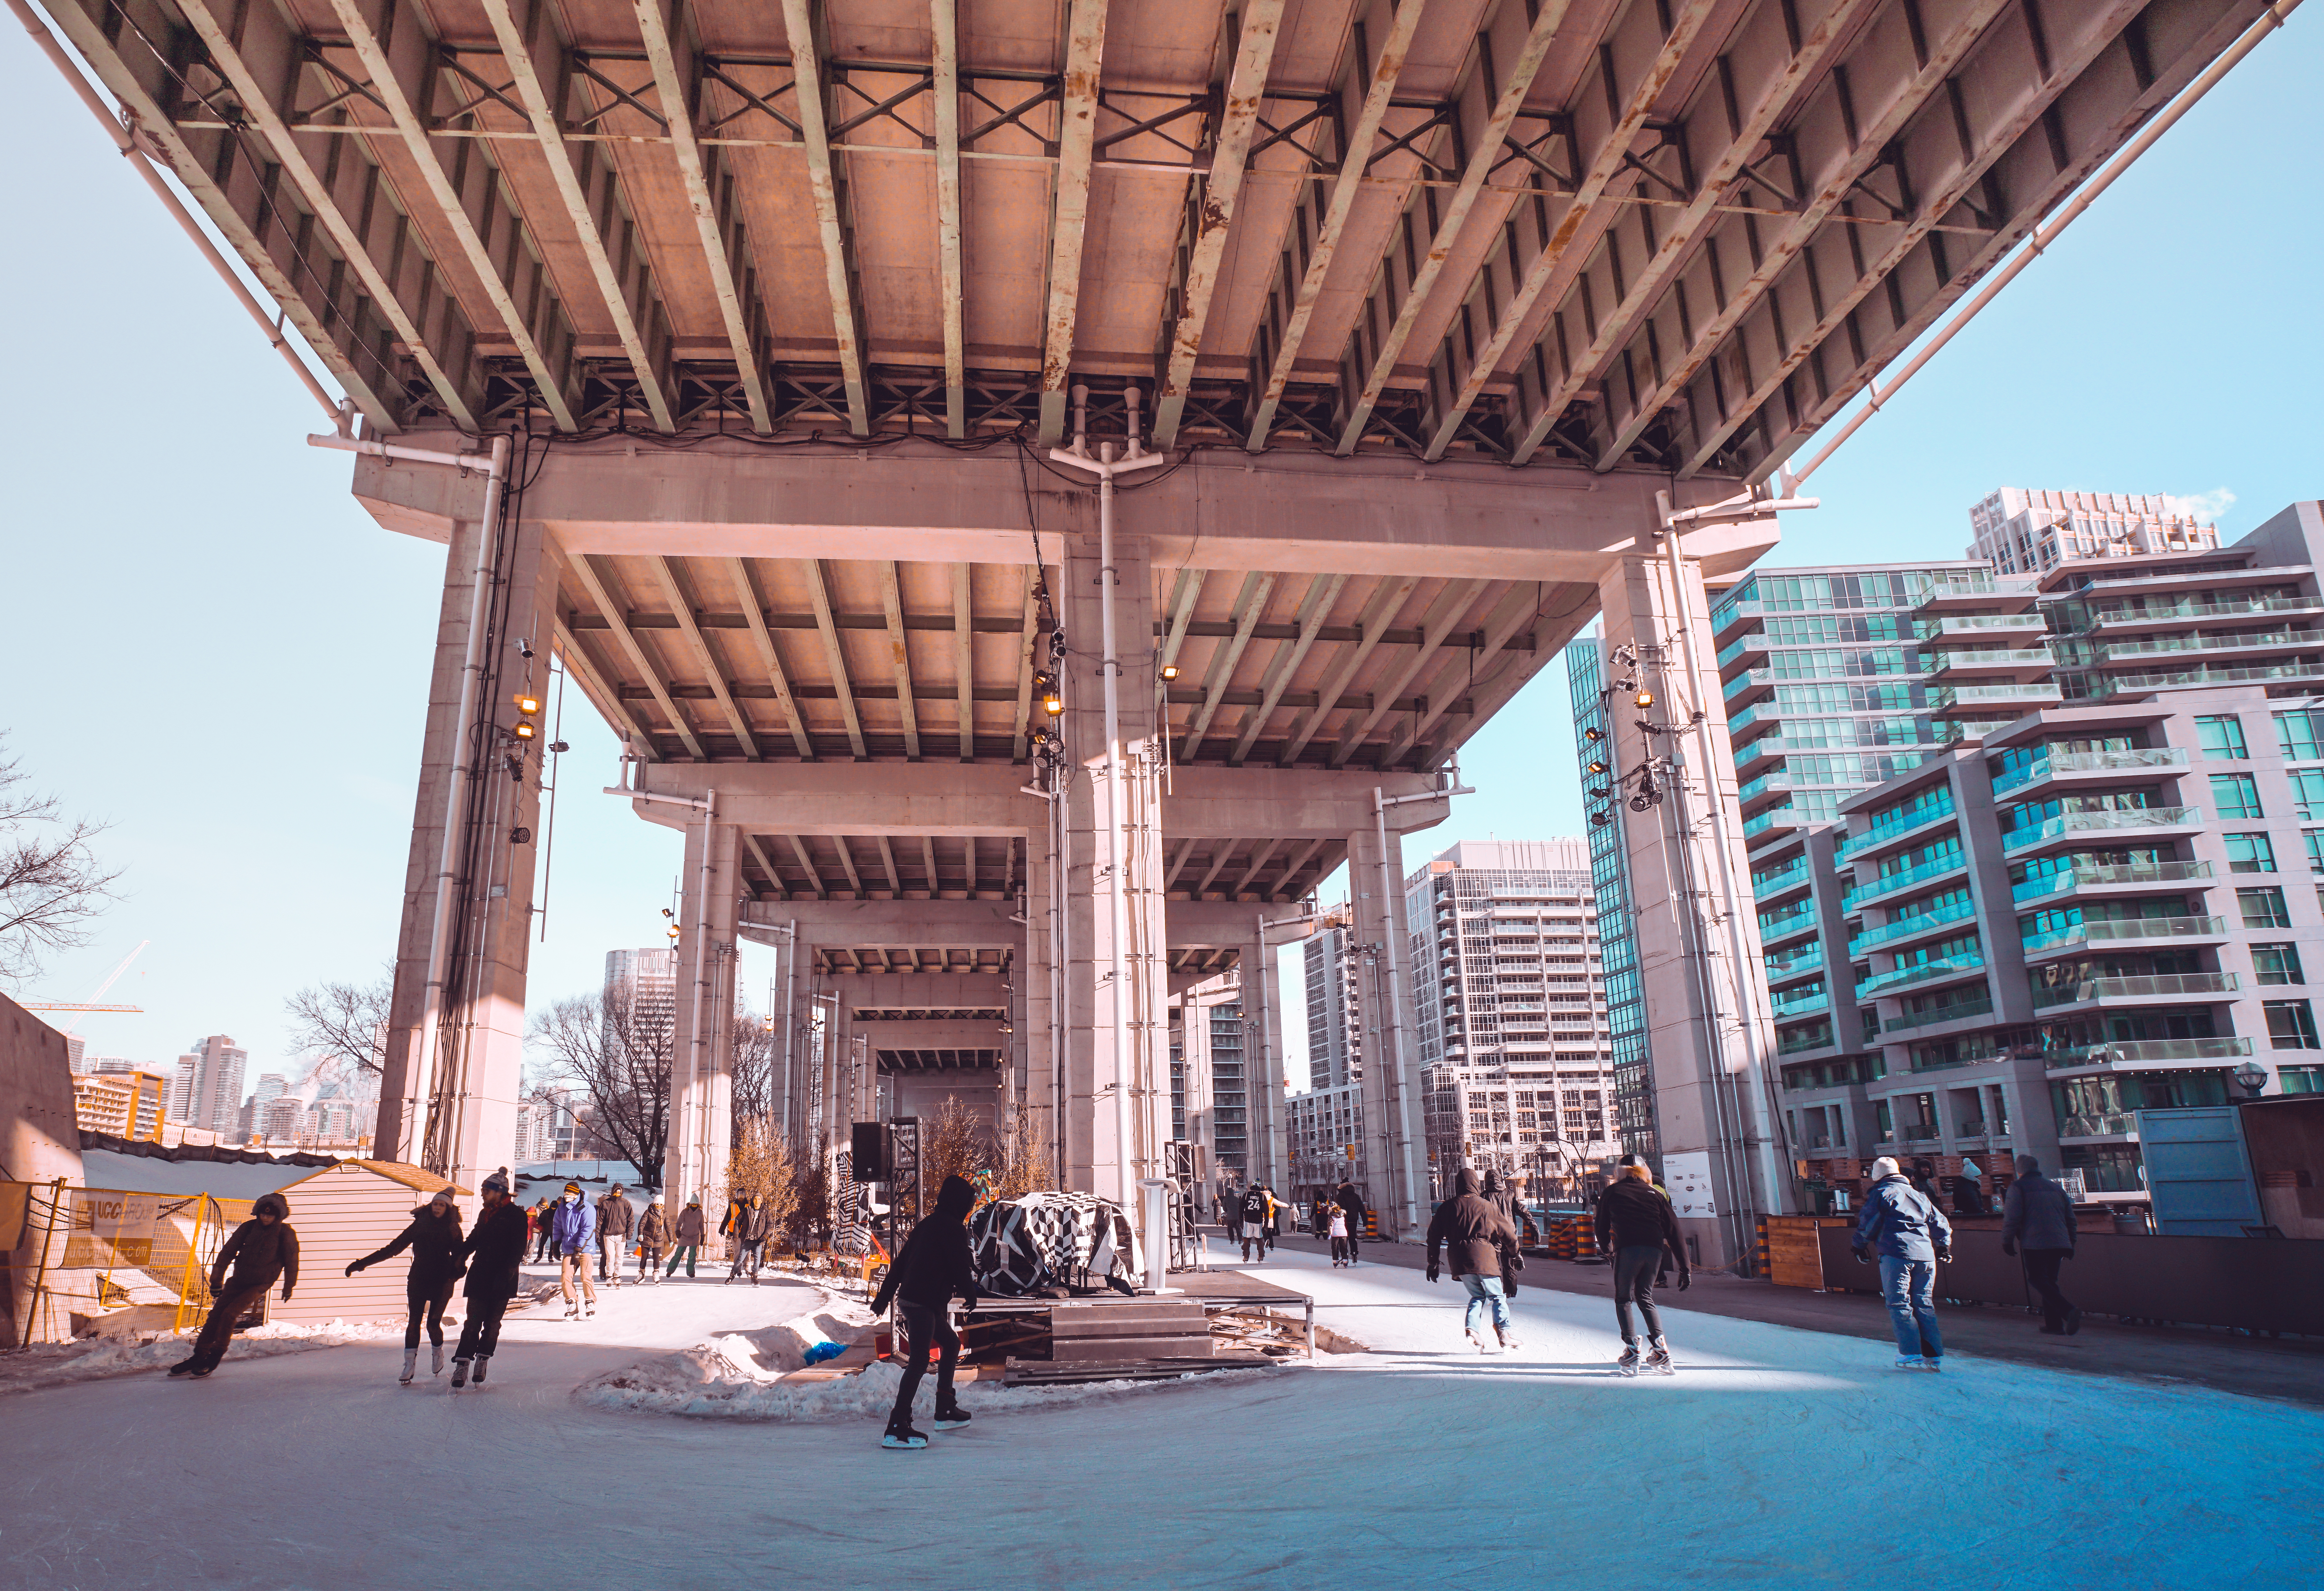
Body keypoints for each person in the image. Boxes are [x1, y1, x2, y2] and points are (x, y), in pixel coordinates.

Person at [869, 1174, 982, 1449]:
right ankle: (897, 1426)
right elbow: (959, 1266)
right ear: (960, 1205)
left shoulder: (926, 1226)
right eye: (967, 1207)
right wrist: (971, 1294)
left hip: (915, 1300)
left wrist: (883, 1299)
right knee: (919, 1360)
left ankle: (945, 1407)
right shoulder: (953, 1229)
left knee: (952, 1344)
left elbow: (900, 1265)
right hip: (922, 1304)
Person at [169, 1191, 298, 1377]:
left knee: (230, 1314)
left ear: (279, 1215)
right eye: (263, 1213)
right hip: (239, 1280)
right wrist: (216, 1280)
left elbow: (292, 1261)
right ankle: (199, 1356)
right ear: (258, 1212)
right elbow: (227, 1254)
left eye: (270, 1214)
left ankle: (214, 1357)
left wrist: (289, 1287)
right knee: (215, 1315)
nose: (266, 1217)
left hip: (261, 1283)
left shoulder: (285, 1233)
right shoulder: (248, 1228)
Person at [346, 1187, 466, 1383]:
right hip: (419, 1278)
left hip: (442, 1281)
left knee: (433, 1323)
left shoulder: (453, 1229)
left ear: (448, 1208)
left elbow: (460, 1256)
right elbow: (393, 1248)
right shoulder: (419, 1225)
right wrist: (361, 1264)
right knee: (414, 1323)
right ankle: (409, 1364)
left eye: (442, 1205)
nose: (437, 1208)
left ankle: (438, 1352)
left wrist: (457, 1270)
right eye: (435, 1204)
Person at [1853, 1154, 1955, 1371]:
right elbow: (1940, 1223)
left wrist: (1859, 1246)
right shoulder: (1919, 1195)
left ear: (1877, 1175)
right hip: (1926, 1256)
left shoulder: (1882, 1194)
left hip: (1896, 1253)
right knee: (1924, 1303)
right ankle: (1933, 1355)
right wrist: (1943, 1246)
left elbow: (1868, 1224)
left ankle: (1911, 1353)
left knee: (1900, 1303)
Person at [1594, 1156, 1689, 1374]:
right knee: (1645, 1297)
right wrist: (1685, 1268)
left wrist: (1609, 1252)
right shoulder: (1656, 1194)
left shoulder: (1612, 1192)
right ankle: (1661, 1350)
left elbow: (1601, 1228)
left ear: (1621, 1172)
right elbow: (1675, 1231)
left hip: (1628, 1249)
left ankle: (1631, 1351)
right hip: (1654, 1251)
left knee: (1624, 1298)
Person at [1425, 1168, 1521, 1353]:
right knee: (1497, 1296)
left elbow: (1433, 1237)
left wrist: (1433, 1263)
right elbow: (1508, 1234)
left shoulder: (1447, 1207)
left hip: (1458, 1259)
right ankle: (1504, 1334)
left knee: (1478, 1296)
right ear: (1476, 1185)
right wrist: (1515, 1254)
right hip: (1484, 1257)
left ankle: (1472, 1330)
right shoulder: (1486, 1206)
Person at [451, 1171, 530, 1387]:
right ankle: (462, 1365)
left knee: (493, 1324)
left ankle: (482, 1360)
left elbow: (517, 1250)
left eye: (486, 1191)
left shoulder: (517, 1216)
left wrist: (506, 1275)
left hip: (503, 1278)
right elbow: (475, 1238)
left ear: (499, 1192)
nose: (482, 1194)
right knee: (472, 1323)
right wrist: (459, 1253)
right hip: (480, 1275)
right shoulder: (484, 1214)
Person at [2002, 1153, 2082, 1335]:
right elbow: (2071, 1219)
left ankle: (2068, 1311)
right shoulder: (2056, 1188)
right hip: (2059, 1243)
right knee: (2050, 1282)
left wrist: (2007, 1241)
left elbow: (2012, 1218)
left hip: (2035, 1243)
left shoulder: (2018, 1188)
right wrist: (2071, 1243)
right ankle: (2054, 1325)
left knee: (2037, 1279)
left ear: (2020, 1170)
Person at [549, 1182, 597, 1319]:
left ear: (577, 1195)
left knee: (586, 1276)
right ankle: (572, 1303)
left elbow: (588, 1229)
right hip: (569, 1247)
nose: (567, 1197)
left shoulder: (587, 1208)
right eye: (566, 1195)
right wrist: (556, 1244)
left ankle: (590, 1302)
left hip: (585, 1248)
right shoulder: (562, 1207)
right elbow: (557, 1226)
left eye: (570, 1195)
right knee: (566, 1276)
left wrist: (579, 1248)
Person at [725, 1192, 772, 1285]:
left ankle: (754, 1277)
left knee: (757, 1260)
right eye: (755, 1199)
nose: (757, 1201)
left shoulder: (766, 1212)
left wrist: (765, 1236)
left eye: (759, 1199)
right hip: (747, 1240)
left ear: (762, 1201)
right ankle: (732, 1275)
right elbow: (737, 1221)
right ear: (753, 1201)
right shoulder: (747, 1210)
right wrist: (736, 1235)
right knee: (740, 1260)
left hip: (758, 1241)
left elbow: (770, 1225)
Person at [596, 1184, 634, 1286]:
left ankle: (617, 1277)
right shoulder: (606, 1204)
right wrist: (598, 1233)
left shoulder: (626, 1203)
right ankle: (609, 1276)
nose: (618, 1193)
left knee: (619, 1257)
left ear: (622, 1192)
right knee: (610, 1256)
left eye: (620, 1191)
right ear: (613, 1191)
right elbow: (599, 1220)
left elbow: (631, 1219)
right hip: (608, 1235)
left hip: (621, 1236)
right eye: (616, 1191)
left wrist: (630, 1232)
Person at [667, 1195, 706, 1277]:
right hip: (684, 1236)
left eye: (696, 1205)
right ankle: (670, 1270)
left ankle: (691, 1272)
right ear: (690, 1204)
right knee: (679, 1254)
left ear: (698, 1205)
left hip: (695, 1237)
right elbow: (679, 1223)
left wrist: (703, 1236)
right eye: (693, 1205)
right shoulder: (685, 1212)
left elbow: (701, 1225)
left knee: (692, 1255)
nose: (695, 1206)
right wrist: (677, 1231)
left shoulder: (700, 1213)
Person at [636, 1193, 671, 1283]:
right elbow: (641, 1224)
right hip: (647, 1237)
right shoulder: (648, 1212)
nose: (659, 1206)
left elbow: (668, 1227)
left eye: (661, 1205)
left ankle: (656, 1274)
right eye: (657, 1204)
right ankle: (641, 1275)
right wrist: (640, 1234)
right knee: (644, 1257)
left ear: (663, 1205)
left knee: (656, 1257)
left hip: (658, 1239)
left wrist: (671, 1239)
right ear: (654, 1204)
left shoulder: (665, 1214)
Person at [1333, 1180, 1367, 1265]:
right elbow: (1362, 1209)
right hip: (1354, 1220)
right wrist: (1365, 1220)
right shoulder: (1356, 1196)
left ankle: (1345, 1257)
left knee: (1344, 1239)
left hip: (1344, 1220)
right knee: (1353, 1237)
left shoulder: (1341, 1196)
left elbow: (1340, 1208)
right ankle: (1355, 1253)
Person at [1238, 1183, 1269, 1262]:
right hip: (1258, 1221)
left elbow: (1241, 1208)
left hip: (1248, 1220)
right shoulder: (1262, 1197)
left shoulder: (1246, 1195)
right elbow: (1266, 1210)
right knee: (1259, 1239)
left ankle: (1246, 1256)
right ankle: (1261, 1255)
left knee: (1246, 1239)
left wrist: (1241, 1219)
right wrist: (1266, 1223)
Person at [530, 1198, 556, 1263]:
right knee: (542, 1244)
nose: (553, 1209)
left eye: (555, 1208)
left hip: (555, 1231)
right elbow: (540, 1220)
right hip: (546, 1230)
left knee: (552, 1246)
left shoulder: (558, 1213)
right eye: (552, 1207)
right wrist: (542, 1227)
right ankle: (539, 1256)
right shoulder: (546, 1212)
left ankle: (550, 1257)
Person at [1327, 1202, 1352, 1266]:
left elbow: (1330, 1225)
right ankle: (1345, 1261)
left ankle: (1335, 1261)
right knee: (1344, 1248)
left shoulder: (1331, 1215)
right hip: (1344, 1234)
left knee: (1335, 1248)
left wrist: (1330, 1234)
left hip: (1335, 1234)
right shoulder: (1343, 1215)